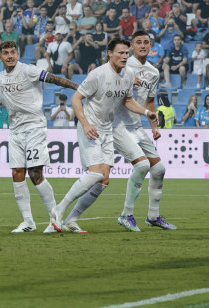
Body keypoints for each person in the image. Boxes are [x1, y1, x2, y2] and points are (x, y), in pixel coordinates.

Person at [0, 41, 78, 233]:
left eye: (13, 52)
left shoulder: (28, 71)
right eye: (6, 53)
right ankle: (28, 222)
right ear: (0, 57)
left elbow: (54, 79)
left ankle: (55, 218)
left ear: (17, 54)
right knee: (17, 174)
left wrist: (77, 87)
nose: (10, 56)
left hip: (34, 126)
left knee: (35, 173)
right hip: (15, 130)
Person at [49, 38, 153, 233]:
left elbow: (127, 100)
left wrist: (146, 113)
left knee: (103, 180)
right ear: (109, 53)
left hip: (107, 128)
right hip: (90, 126)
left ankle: (71, 220)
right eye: (120, 53)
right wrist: (85, 124)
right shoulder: (97, 74)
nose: (124, 56)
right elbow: (75, 98)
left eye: (126, 53)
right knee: (96, 173)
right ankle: (58, 209)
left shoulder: (129, 74)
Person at [113, 31, 175, 231]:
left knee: (158, 169)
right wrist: (128, 80)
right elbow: (111, 90)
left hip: (138, 126)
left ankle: (153, 217)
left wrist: (154, 127)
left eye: (146, 42)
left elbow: (149, 101)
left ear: (151, 46)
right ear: (131, 45)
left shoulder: (153, 72)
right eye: (138, 42)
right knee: (142, 166)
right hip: (119, 125)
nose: (142, 45)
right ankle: (126, 214)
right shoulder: (122, 65)